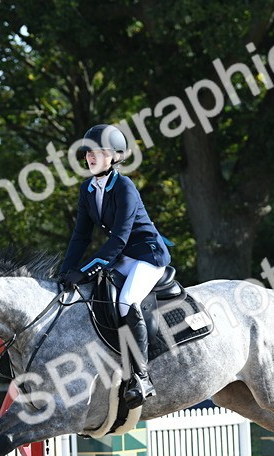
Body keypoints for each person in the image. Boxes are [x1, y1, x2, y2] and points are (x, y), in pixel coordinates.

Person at [58, 123, 171, 409]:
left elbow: (119, 239)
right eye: (88, 152)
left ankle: (142, 377)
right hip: (123, 256)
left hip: (147, 255)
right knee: (93, 294)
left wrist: (84, 270)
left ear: (115, 156)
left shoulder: (124, 187)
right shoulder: (87, 189)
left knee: (125, 301)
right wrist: (65, 272)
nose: (90, 157)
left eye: (98, 152)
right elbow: (81, 236)